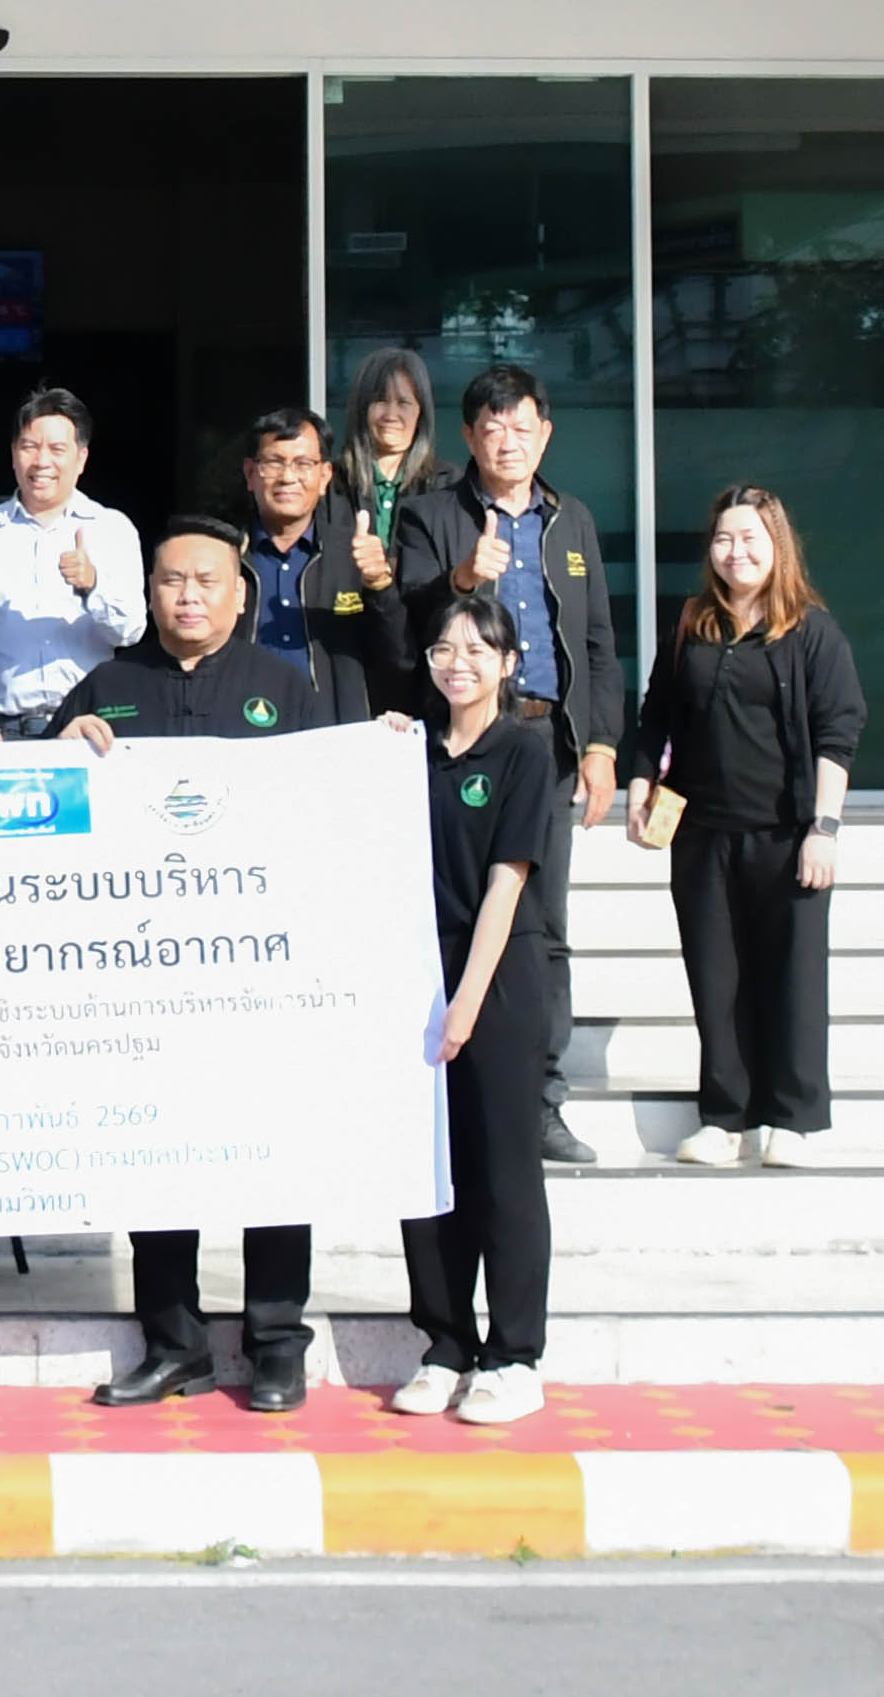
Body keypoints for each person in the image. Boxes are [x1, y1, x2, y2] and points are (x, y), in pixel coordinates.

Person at [66, 517, 333, 1412]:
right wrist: (61, 753)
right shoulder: (107, 687)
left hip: (256, 967)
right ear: (147, 592)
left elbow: (324, 810)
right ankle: (173, 1343)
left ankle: (276, 1341)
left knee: (275, 1150)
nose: (187, 595)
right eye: (170, 580)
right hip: (144, 974)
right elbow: (46, 819)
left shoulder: (283, 687)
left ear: (239, 593)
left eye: (205, 580)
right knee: (157, 1153)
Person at [394, 363, 624, 1167]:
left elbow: (597, 639)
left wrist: (601, 745)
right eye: (492, 428)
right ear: (468, 435)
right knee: (448, 914)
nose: (507, 442)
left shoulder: (571, 518)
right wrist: (461, 579)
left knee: (542, 929)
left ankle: (540, 1099)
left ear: (544, 433)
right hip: (456, 744)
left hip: (544, 743)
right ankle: (442, 1081)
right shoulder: (428, 513)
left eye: (522, 427)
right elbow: (402, 618)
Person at [627, 486, 863, 1169]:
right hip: (702, 833)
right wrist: (640, 785)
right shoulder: (691, 623)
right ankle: (724, 1117)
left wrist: (824, 828)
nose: (736, 552)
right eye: (724, 539)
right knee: (715, 978)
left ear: (777, 546)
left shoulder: (810, 630)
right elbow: (656, 712)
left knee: (792, 978)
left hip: (786, 834)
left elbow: (838, 732)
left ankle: (792, 1120)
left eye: (750, 538)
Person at [393, 590, 557, 1426]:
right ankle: (444, 1344)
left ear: (508, 663)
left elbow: (507, 882)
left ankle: (513, 1353)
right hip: (414, 970)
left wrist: (463, 1005)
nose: (458, 664)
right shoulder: (407, 750)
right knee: (426, 1169)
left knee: (502, 1171)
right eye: (443, 648)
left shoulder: (523, 749)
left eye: (477, 650)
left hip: (495, 975)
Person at [0, 384, 143, 738]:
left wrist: (93, 585)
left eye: (57, 449)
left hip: (88, 728)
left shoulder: (112, 528)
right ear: (13, 454)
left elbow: (130, 632)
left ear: (81, 458)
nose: (41, 461)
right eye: (29, 447)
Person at [235, 404, 389, 725]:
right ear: (250, 473)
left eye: (303, 464)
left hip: (332, 732)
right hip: (241, 727)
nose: (288, 477)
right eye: (273, 463)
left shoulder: (355, 556)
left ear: (324, 476)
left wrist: (380, 587)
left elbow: (397, 656)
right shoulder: (225, 557)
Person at [332, 343, 438, 617]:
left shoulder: (445, 486)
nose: (391, 415)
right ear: (361, 408)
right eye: (380, 400)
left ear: (421, 412)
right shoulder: (331, 484)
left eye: (404, 403)